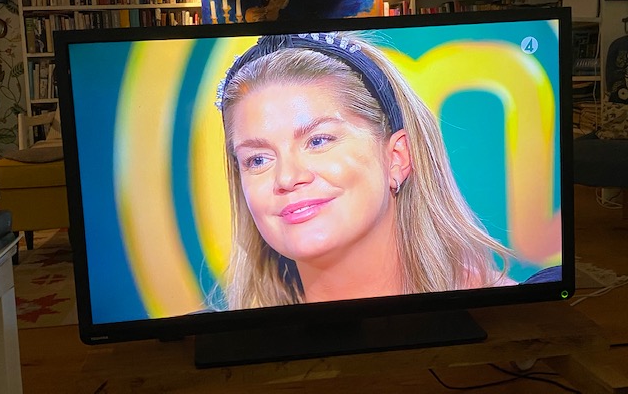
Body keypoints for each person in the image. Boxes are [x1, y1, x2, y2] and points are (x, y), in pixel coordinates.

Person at [214, 32, 515, 311]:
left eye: (318, 141)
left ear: (397, 157)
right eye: (258, 160)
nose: (287, 178)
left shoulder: (511, 317)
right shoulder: (236, 342)